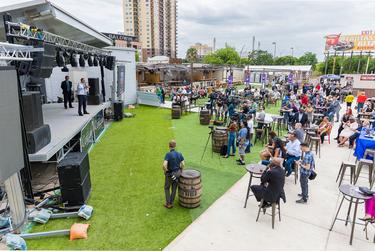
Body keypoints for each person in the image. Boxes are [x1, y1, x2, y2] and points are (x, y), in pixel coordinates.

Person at [163, 140, 185, 209]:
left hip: (170, 174)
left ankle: (168, 204)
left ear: (169, 146)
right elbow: (183, 164)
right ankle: (171, 202)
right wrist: (181, 170)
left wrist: (166, 171)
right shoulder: (179, 154)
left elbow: (164, 165)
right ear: (175, 146)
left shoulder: (168, 154)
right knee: (174, 188)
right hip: (178, 173)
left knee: (167, 188)